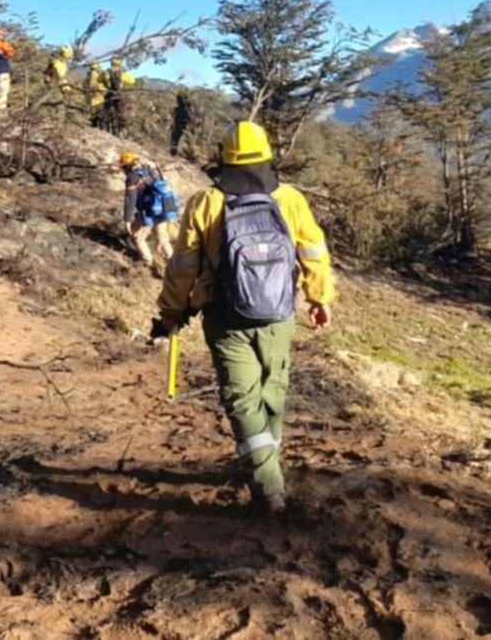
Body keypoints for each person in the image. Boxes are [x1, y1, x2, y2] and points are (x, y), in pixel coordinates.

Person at [155, 121, 335, 517]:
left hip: (223, 316)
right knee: (273, 390)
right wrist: (319, 298)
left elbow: (182, 265)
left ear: (224, 158)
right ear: (267, 155)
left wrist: (171, 309)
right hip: (279, 314)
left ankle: (267, 485)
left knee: (241, 398)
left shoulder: (205, 202)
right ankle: (266, 467)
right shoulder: (290, 199)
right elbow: (313, 252)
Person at [119, 152, 178, 277]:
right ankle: (175, 269)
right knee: (162, 239)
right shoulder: (152, 170)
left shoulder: (132, 177)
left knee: (138, 237)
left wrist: (127, 220)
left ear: (126, 167)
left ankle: (149, 266)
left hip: (148, 212)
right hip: (162, 210)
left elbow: (130, 199)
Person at [101, 56, 136, 136]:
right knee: (120, 112)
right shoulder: (123, 73)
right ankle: (121, 129)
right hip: (119, 95)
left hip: (109, 94)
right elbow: (132, 81)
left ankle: (105, 128)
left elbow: (98, 80)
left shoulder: (106, 72)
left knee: (106, 110)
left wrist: (105, 82)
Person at [170, 85, 195, 157]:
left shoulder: (183, 104)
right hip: (183, 123)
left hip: (182, 123)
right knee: (177, 138)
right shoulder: (186, 105)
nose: (177, 99)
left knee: (175, 138)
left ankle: (174, 153)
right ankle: (175, 153)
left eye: (178, 97)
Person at [86, 62, 110, 129]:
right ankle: (99, 128)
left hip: (92, 96)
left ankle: (95, 126)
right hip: (97, 95)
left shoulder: (89, 74)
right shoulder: (94, 74)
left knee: (95, 111)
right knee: (99, 112)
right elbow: (93, 85)